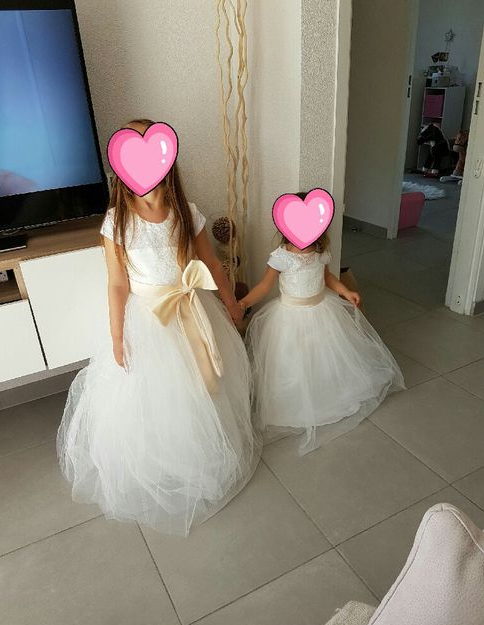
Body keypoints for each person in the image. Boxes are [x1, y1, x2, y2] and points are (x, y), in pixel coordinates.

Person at [57, 119, 261, 536]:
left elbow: (211, 263)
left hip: (190, 307)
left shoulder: (187, 213)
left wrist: (230, 301)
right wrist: (117, 336)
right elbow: (117, 283)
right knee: (158, 392)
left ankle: (202, 449)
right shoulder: (116, 222)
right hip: (147, 319)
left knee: (199, 385)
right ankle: (163, 457)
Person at [240, 193, 405, 454]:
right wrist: (243, 303)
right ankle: (295, 403)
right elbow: (264, 285)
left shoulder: (320, 253)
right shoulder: (281, 257)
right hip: (290, 316)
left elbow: (328, 277)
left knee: (323, 356)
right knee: (294, 360)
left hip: (322, 310)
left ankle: (327, 395)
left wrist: (345, 291)